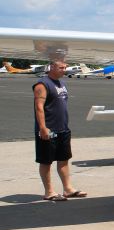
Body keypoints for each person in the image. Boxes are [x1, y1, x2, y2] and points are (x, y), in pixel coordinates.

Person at [33, 60, 87, 201]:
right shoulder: (42, 84)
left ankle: (68, 189)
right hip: (48, 130)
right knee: (46, 161)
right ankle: (49, 192)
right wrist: (43, 128)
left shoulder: (61, 83)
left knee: (63, 160)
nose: (64, 70)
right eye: (60, 67)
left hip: (63, 128)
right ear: (51, 67)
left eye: (65, 67)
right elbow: (39, 107)